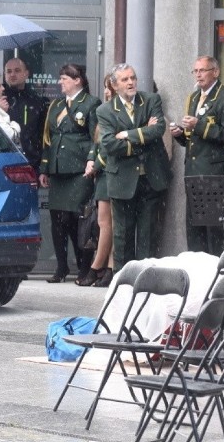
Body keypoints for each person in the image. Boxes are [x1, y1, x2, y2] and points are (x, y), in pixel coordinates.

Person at [97, 63, 172, 270]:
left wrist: (128, 135)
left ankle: (145, 282)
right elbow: (110, 145)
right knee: (122, 236)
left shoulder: (151, 100)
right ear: (114, 85)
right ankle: (122, 283)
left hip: (151, 178)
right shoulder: (105, 110)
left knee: (148, 236)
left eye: (133, 78)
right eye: (125, 79)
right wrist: (142, 138)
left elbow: (157, 130)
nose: (131, 82)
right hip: (122, 180)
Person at [170, 56, 224, 255]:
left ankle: (217, 272)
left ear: (215, 72)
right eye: (195, 71)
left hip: (213, 172)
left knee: (214, 228)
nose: (198, 75)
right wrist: (180, 134)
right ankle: (196, 270)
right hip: (192, 171)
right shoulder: (193, 97)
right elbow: (192, 138)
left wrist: (198, 125)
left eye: (203, 70)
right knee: (194, 227)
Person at [40, 64, 101, 284]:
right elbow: (49, 139)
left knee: (79, 220)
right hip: (58, 170)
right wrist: (45, 167)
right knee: (58, 220)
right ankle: (61, 266)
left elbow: (97, 136)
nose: (60, 82)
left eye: (64, 78)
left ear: (77, 80)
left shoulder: (91, 103)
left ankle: (83, 267)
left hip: (79, 169)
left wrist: (92, 160)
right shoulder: (56, 105)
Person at [79, 74, 117, 287]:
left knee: (105, 223)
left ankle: (98, 267)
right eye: (105, 86)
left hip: (109, 172)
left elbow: (110, 145)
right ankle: (107, 268)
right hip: (101, 173)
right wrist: (91, 160)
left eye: (109, 86)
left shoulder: (116, 113)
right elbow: (97, 143)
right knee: (106, 223)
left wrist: (97, 164)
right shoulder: (105, 110)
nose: (106, 91)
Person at [3, 58, 49, 172]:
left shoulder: (37, 100)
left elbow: (43, 134)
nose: (12, 74)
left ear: (26, 74)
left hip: (32, 162)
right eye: (8, 71)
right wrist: (0, 111)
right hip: (6, 161)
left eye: (17, 70)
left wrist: (42, 161)